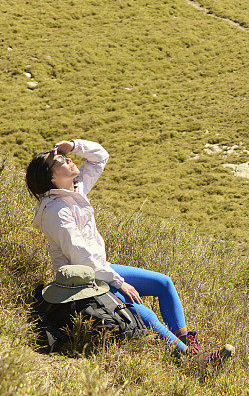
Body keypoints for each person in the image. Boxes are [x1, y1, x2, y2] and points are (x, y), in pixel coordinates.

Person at [26, 138, 235, 364]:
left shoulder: (75, 190)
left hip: (99, 270)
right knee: (144, 314)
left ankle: (185, 345)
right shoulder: (55, 211)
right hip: (82, 282)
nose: (68, 159)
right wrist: (118, 282)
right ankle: (192, 361)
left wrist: (74, 145)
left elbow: (100, 158)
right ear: (52, 178)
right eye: (60, 160)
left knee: (164, 283)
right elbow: (81, 257)